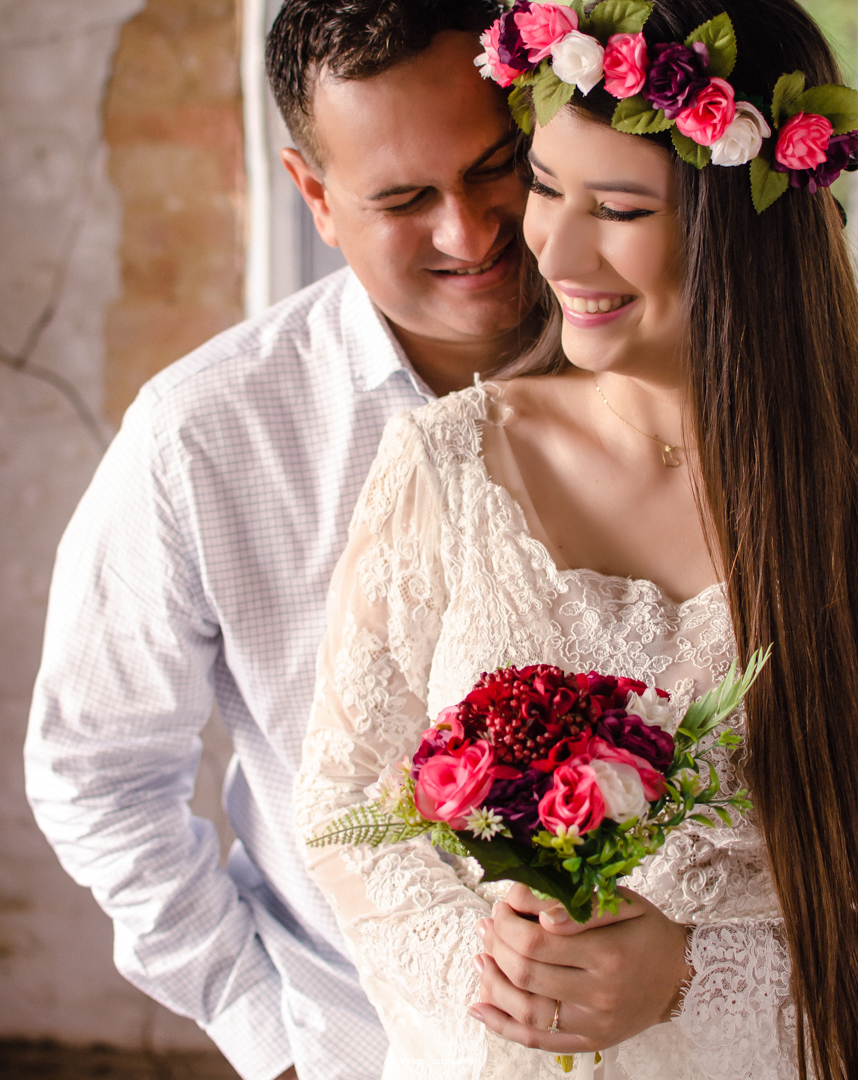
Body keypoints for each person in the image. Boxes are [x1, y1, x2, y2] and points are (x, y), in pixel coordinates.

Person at [294, 0, 858, 1077]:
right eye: (546, 186)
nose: (549, 244)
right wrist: (508, 976)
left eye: (619, 207)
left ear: (743, 232)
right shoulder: (451, 463)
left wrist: (696, 970)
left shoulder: (837, 488)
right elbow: (344, 804)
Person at [23, 3, 540, 1079]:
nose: (469, 232)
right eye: (403, 199)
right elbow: (97, 774)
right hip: (362, 1039)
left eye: (496, 167)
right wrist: (273, 1040)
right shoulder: (199, 437)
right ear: (315, 197)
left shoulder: (669, 364)